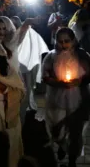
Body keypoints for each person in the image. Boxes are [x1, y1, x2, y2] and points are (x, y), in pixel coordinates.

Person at [42, 28, 90, 167]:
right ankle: (63, 145)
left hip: (78, 99)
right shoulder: (51, 57)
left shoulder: (82, 56)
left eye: (67, 41)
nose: (63, 45)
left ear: (73, 40)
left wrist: (80, 81)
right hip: (57, 99)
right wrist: (58, 83)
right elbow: (45, 76)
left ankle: (72, 160)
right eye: (60, 41)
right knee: (57, 130)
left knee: (76, 132)